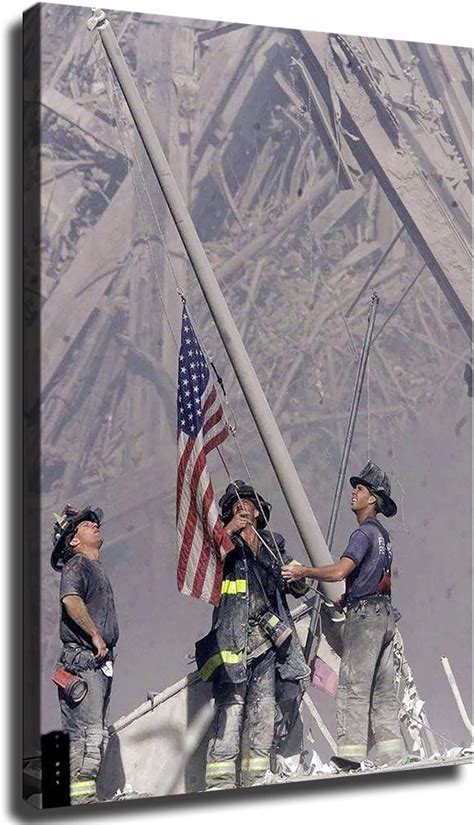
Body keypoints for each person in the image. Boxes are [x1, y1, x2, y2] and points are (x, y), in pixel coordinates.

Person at [281, 461, 405, 769]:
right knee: (383, 689)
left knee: (353, 687)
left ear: (372, 499)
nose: (354, 492)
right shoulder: (383, 536)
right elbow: (374, 576)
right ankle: (393, 754)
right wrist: (349, 598)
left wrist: (303, 571)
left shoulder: (362, 534)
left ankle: (350, 755)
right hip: (384, 615)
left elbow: (339, 572)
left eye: (360, 489)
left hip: (365, 619)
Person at [196, 480, 311, 790]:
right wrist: (228, 530)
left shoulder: (273, 544)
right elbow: (207, 562)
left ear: (259, 511)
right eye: (233, 505)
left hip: (269, 646)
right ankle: (220, 784)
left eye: (245, 502)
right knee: (230, 712)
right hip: (233, 644)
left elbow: (299, 586)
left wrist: (297, 574)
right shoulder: (223, 546)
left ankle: (255, 781)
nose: (240, 506)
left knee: (262, 714)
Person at [50, 504, 119, 804]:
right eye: (86, 524)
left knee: (93, 734)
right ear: (73, 540)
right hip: (83, 661)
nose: (94, 524)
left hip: (97, 663)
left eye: (94, 522)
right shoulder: (77, 565)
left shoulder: (94, 568)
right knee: (87, 736)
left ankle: (83, 800)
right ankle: (80, 804)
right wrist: (94, 634)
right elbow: (71, 600)